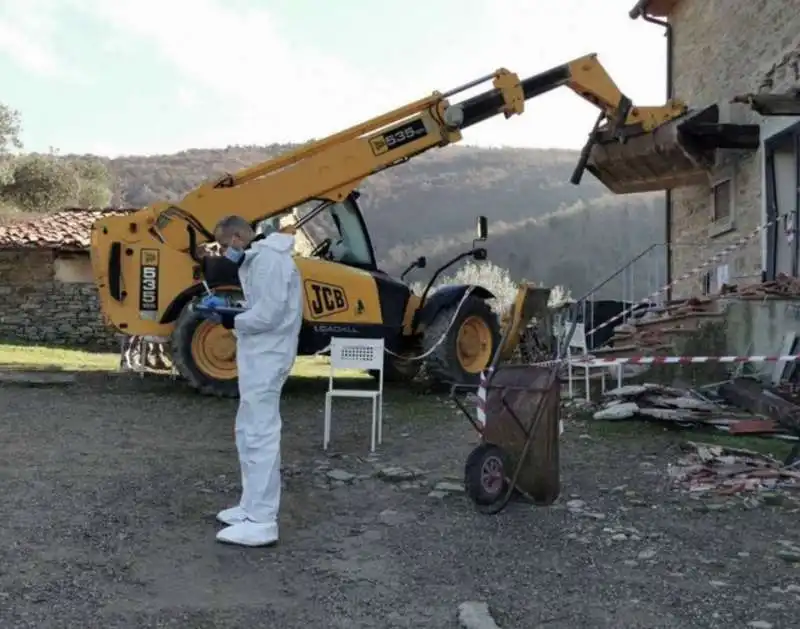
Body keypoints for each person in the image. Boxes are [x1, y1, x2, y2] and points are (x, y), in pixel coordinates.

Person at [207, 215, 303, 547]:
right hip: (259, 354)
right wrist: (236, 310)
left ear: (237, 237)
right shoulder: (259, 259)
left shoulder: (271, 261)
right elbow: (261, 307)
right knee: (248, 431)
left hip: (269, 356)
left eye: (223, 245)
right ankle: (249, 507)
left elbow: (270, 314)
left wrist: (231, 320)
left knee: (261, 434)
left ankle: (262, 521)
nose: (223, 253)